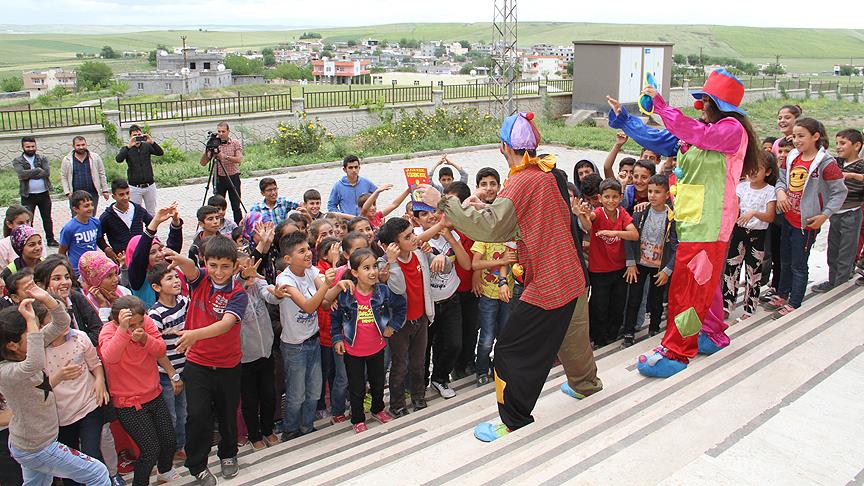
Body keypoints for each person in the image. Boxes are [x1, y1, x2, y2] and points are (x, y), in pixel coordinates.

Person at [418, 111, 601, 442]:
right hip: (572, 273)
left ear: (504, 147)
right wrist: (484, 207)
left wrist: (443, 201)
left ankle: (515, 418)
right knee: (573, 336)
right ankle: (586, 386)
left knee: (508, 352)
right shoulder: (552, 173)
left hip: (547, 282)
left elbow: (490, 228)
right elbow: (520, 218)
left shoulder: (520, 181)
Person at [634, 68, 763, 378]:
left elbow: (696, 134)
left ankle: (677, 351)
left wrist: (664, 107)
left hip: (711, 220)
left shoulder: (730, 130)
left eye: (704, 100)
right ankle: (713, 332)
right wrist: (626, 121)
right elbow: (664, 139)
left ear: (713, 102)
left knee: (689, 286)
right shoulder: (706, 129)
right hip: (696, 218)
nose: (700, 106)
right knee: (705, 282)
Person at [0, 283, 110, 486]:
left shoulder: (29, 348)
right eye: (32, 331)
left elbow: (61, 322)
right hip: (37, 447)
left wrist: (47, 299)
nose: (38, 333)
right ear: (12, 345)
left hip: (34, 443)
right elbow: (35, 363)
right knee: (97, 473)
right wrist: (31, 320)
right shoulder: (6, 371)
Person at [163, 235, 248, 486]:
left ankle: (228, 453)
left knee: (227, 413)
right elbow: (189, 268)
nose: (218, 272)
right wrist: (179, 259)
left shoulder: (238, 293)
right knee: (197, 416)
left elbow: (225, 325)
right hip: (198, 364)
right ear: (205, 263)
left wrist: (193, 335)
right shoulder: (200, 279)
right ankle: (197, 466)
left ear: (235, 266)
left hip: (228, 365)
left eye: (224, 266)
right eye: (213, 265)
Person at [766, 118, 847, 318]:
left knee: (798, 263)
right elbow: (782, 179)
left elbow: (839, 192)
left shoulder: (826, 163)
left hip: (806, 222)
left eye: (801, 136)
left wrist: (824, 215)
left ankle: (795, 301)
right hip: (787, 217)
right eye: (794, 136)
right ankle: (782, 293)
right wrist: (781, 193)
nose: (796, 140)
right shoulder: (792, 156)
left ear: (816, 136)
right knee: (784, 259)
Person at [266, 231, 339, 441]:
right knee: (296, 394)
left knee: (314, 391)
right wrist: (327, 284)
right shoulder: (284, 279)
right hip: (294, 346)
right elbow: (308, 307)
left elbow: (324, 302)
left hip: (313, 340)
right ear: (288, 259)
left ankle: (307, 428)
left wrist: (339, 284)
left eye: (308, 249)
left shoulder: (311, 270)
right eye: (302, 251)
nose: (308, 254)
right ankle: (291, 431)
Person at [99, 296, 179, 486]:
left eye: (139, 322)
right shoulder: (108, 331)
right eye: (130, 324)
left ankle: (165, 471)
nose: (136, 327)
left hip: (154, 393)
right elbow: (110, 357)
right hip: (128, 402)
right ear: (116, 321)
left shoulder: (147, 324)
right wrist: (123, 331)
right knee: (150, 449)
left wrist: (145, 338)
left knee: (169, 440)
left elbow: (160, 349)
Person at [379, 217, 451, 416]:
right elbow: (398, 287)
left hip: (421, 318)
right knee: (400, 366)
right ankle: (397, 405)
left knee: (419, 363)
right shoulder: (383, 264)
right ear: (393, 245)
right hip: (398, 325)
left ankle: (419, 397)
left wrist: (440, 257)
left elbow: (447, 269)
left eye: (413, 233)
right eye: (407, 237)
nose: (414, 239)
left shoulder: (420, 254)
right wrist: (392, 263)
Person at [332, 248, 406, 433]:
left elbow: (401, 306)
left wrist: (393, 326)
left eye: (374, 266)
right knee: (356, 387)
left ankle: (378, 410)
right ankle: (357, 418)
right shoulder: (346, 294)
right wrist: (337, 338)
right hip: (353, 350)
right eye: (366, 268)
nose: (373, 272)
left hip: (377, 347)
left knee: (378, 382)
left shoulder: (383, 291)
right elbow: (335, 318)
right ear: (355, 272)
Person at [45, 296, 110, 486]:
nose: (63, 319)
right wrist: (59, 376)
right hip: (60, 417)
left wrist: (100, 380)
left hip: (89, 406)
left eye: (65, 313)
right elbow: (36, 391)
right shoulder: (36, 351)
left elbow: (95, 364)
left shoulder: (80, 337)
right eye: (55, 317)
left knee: (92, 456)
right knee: (69, 466)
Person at [413, 207, 472, 397]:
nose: (430, 216)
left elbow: (466, 264)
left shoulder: (451, 233)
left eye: (435, 211)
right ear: (416, 221)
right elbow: (414, 243)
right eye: (423, 214)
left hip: (450, 300)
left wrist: (450, 238)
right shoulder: (416, 235)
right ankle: (420, 384)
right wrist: (439, 226)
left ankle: (440, 378)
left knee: (454, 344)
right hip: (427, 304)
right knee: (424, 348)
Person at [622, 174, 677, 345]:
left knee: (656, 299)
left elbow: (678, 247)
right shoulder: (640, 212)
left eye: (657, 192)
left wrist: (667, 270)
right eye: (650, 191)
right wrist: (630, 263)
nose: (652, 195)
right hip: (639, 264)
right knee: (634, 299)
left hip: (659, 267)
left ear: (667, 195)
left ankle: (654, 328)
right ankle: (628, 332)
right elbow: (629, 237)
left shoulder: (673, 218)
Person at [722, 154, 777, 319]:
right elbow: (733, 207)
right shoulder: (741, 187)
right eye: (750, 166)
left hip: (757, 235)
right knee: (731, 268)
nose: (752, 171)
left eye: (757, 168)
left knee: (753, 272)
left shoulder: (770, 191)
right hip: (739, 232)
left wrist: (753, 213)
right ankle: (727, 305)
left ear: (767, 172)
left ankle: (749, 307)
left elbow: (770, 217)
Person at [236, 254, 280, 450]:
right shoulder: (233, 291)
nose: (250, 270)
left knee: (269, 394)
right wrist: (243, 283)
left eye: (251, 266)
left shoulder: (259, 283)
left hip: (266, 351)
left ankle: (268, 429)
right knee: (250, 400)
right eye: (244, 268)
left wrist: (277, 292)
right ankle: (254, 435)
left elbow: (270, 294)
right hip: (244, 357)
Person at [810, 128, 864, 292]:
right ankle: (833, 281)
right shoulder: (836, 162)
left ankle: (839, 287)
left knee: (846, 251)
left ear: (856, 146)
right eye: (837, 143)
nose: (839, 147)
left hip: (852, 213)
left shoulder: (861, 165)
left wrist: (853, 176)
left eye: (843, 143)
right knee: (833, 249)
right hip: (835, 214)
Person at [587, 178, 638, 347]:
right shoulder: (598, 213)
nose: (611, 200)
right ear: (600, 198)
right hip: (599, 270)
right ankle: (599, 339)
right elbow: (588, 223)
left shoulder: (622, 213)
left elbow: (634, 234)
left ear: (621, 197)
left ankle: (612, 335)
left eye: (615, 197)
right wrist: (582, 214)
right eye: (607, 197)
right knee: (599, 305)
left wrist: (612, 231)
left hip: (619, 268)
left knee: (617, 304)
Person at [147, 263, 189, 463]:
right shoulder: (154, 314)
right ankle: (168, 452)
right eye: (169, 279)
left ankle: (180, 447)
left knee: (184, 412)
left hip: (186, 367)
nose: (176, 281)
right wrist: (173, 375)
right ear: (156, 287)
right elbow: (157, 351)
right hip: (167, 374)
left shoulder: (184, 301)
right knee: (170, 416)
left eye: (176, 277)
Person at [470, 235, 516, 386]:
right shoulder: (483, 238)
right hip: (488, 295)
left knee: (504, 334)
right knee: (487, 337)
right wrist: (501, 261)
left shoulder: (511, 237)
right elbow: (475, 264)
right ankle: (482, 370)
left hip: (507, 294)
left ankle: (499, 367)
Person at [314, 237, 349, 423]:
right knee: (328, 371)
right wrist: (335, 263)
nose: (337, 251)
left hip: (342, 329)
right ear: (323, 253)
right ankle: (327, 407)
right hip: (327, 330)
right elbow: (327, 293)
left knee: (340, 373)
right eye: (332, 250)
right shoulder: (318, 271)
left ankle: (343, 402)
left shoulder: (346, 268)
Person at [34, 256, 104, 346]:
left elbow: (98, 329)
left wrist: (80, 345)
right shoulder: (37, 309)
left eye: (67, 277)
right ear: (40, 285)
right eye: (56, 279)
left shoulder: (76, 297)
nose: (65, 282)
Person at [12, 136, 58, 246]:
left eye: (33, 146)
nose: (31, 149)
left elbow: (46, 173)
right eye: (28, 147)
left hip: (43, 193)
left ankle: (50, 239)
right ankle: (28, 239)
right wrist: (37, 170)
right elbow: (22, 175)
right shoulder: (18, 160)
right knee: (27, 219)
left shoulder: (42, 158)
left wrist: (30, 174)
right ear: (23, 147)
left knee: (47, 218)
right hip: (28, 195)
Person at [59, 191, 114, 278]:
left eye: (91, 204)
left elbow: (98, 240)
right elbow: (62, 251)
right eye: (86, 206)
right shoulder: (69, 228)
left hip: (93, 268)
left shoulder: (96, 223)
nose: (91, 208)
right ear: (75, 209)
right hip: (77, 271)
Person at [98, 179, 153, 262]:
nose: (125, 197)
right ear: (114, 196)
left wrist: (147, 240)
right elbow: (98, 236)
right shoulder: (107, 216)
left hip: (141, 253)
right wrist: (106, 248)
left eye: (127, 193)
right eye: (121, 194)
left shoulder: (138, 209)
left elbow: (151, 223)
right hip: (122, 257)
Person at [200, 121, 244, 224]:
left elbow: (239, 159)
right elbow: (203, 163)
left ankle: (239, 227)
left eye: (223, 131)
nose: (221, 133)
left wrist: (224, 157)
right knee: (216, 206)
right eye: (219, 131)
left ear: (228, 131)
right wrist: (207, 150)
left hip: (233, 176)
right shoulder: (214, 143)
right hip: (219, 178)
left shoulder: (234, 143)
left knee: (236, 205)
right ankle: (217, 225)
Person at [115, 125, 163, 215]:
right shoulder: (127, 149)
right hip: (135, 187)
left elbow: (160, 153)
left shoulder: (147, 146)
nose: (137, 137)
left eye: (139, 135)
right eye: (135, 135)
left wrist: (152, 142)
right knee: (135, 212)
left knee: (151, 212)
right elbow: (118, 159)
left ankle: (151, 228)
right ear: (130, 137)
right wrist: (128, 147)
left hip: (150, 185)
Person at [78, 250, 131, 323]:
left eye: (115, 273)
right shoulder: (88, 303)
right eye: (109, 276)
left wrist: (116, 302)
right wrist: (103, 306)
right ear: (95, 279)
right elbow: (101, 331)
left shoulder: (124, 292)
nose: (116, 279)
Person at [61, 136, 110, 213]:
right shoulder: (67, 160)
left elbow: (102, 174)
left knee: (91, 216)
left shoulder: (95, 157)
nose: (81, 147)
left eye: (83, 144)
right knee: (76, 218)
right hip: (75, 195)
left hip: (92, 193)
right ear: (73, 146)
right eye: (78, 145)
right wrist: (67, 192)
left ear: (86, 145)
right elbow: (63, 176)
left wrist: (105, 190)